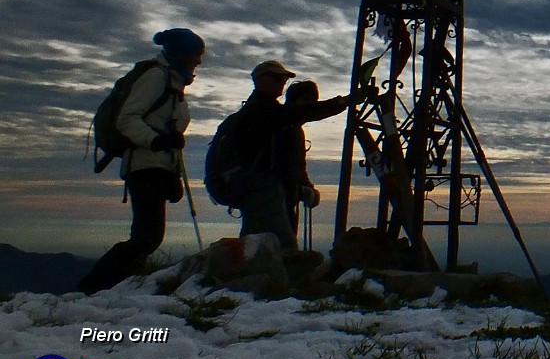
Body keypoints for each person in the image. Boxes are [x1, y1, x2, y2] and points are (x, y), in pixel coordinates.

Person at [79, 28, 205, 294]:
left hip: (156, 167)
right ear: (182, 55)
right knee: (148, 236)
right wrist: (157, 141)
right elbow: (128, 119)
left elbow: (164, 127)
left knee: (148, 234)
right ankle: (98, 287)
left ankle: (109, 285)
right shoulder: (156, 77)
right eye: (196, 55)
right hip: (144, 166)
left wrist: (170, 163)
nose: (199, 61)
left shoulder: (172, 81)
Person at [232, 60, 353, 250]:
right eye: (278, 78)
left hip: (270, 196)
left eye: (284, 80)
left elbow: (295, 166)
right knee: (279, 249)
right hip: (267, 196)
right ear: (261, 80)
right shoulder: (269, 116)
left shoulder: (273, 117)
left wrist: (304, 187)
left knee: (259, 249)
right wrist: (342, 102)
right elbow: (285, 166)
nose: (282, 82)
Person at [283, 78, 323, 244]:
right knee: (282, 247)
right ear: (293, 101)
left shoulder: (294, 129)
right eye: (306, 100)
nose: (310, 106)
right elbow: (289, 167)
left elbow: (298, 166)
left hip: (282, 200)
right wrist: (304, 189)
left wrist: (307, 188)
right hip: (274, 201)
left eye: (313, 102)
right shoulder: (285, 127)